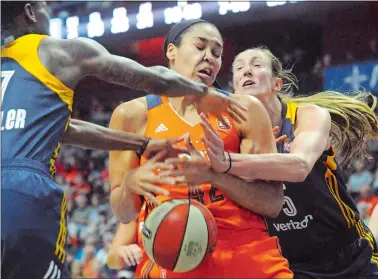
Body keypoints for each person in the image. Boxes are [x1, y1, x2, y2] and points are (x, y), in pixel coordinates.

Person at [1, 2, 244, 279]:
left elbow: (64, 129)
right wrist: (203, 92)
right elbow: (156, 79)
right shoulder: (54, 50)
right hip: (19, 189)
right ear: (31, 12)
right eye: (46, 4)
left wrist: (139, 144)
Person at [109, 19, 293, 279]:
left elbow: (272, 203)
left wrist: (214, 175)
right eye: (200, 47)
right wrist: (130, 184)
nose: (210, 58)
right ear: (171, 51)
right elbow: (123, 212)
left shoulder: (246, 110)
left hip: (246, 254)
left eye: (217, 53)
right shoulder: (131, 115)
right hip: (172, 259)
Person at [198, 46, 378, 278]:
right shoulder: (232, 135)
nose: (246, 72)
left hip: (350, 254)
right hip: (292, 264)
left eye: (256, 65)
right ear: (234, 91)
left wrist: (228, 162)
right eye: (239, 69)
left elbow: (300, 166)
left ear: (277, 84)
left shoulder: (308, 115)